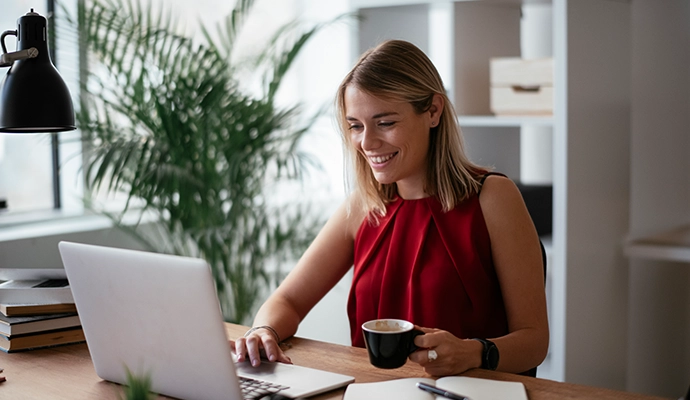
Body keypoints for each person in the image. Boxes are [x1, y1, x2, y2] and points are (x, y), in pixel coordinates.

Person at [234, 39, 549, 377]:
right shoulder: (362, 207)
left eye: (385, 123)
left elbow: (534, 341)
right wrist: (262, 331)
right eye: (356, 125)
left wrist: (474, 352)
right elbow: (287, 302)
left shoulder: (493, 197)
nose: (367, 143)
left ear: (433, 111)